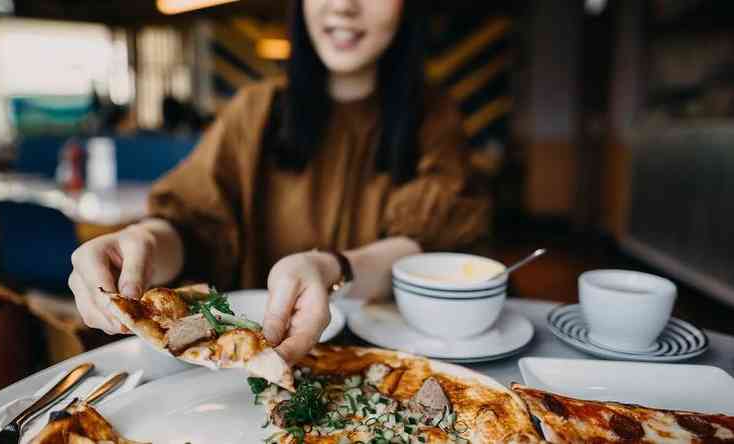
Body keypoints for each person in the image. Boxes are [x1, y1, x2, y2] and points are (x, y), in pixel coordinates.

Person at [69, 0, 491, 365]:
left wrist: (331, 269)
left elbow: (426, 244)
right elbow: (193, 226)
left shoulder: (433, 116)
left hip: (389, 366)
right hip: (248, 375)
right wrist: (141, 244)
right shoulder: (255, 112)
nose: (343, 5)